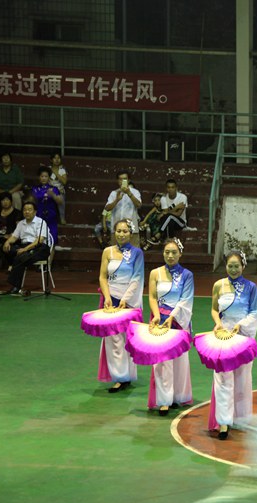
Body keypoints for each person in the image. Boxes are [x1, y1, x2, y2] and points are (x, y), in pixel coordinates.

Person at [208, 250, 257, 440]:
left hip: (243, 336)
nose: (233, 269)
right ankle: (223, 421)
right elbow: (214, 309)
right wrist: (218, 323)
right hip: (223, 337)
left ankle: (240, 417)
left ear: (243, 266)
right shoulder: (219, 285)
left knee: (242, 377)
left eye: (236, 266)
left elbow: (255, 311)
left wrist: (241, 325)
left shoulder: (251, 287)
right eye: (230, 266)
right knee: (222, 377)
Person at [147, 238, 194, 415]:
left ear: (180, 254)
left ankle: (178, 396)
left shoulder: (187, 275)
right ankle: (164, 400)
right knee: (161, 361)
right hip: (160, 321)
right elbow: (152, 297)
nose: (170, 256)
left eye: (174, 252)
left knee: (180, 361)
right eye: (167, 252)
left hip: (178, 322)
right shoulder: (155, 273)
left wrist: (172, 316)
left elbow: (186, 299)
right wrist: (157, 315)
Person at [97, 219, 144, 393]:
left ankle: (127, 375)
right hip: (111, 301)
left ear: (130, 234)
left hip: (128, 301)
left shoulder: (137, 253)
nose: (121, 234)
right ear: (114, 232)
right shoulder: (107, 251)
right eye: (118, 231)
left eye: (125, 231)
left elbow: (137, 278)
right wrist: (107, 297)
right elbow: (103, 277)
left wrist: (125, 299)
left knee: (127, 340)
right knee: (113, 340)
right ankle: (119, 377)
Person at [1, 200, 51, 296]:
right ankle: (14, 271)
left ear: (35, 212)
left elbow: (39, 240)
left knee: (21, 257)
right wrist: (7, 242)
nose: (27, 212)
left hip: (39, 248)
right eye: (24, 210)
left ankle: (15, 286)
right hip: (24, 247)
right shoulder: (21, 223)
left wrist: (25, 249)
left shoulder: (40, 222)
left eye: (29, 209)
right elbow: (14, 237)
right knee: (7, 249)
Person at [104, 170, 142, 247]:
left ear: (129, 180)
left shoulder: (135, 192)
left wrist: (129, 193)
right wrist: (117, 199)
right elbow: (107, 208)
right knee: (116, 253)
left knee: (133, 252)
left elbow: (139, 205)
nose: (122, 181)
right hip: (116, 230)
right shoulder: (114, 193)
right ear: (117, 181)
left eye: (124, 179)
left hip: (131, 230)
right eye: (120, 179)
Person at [31, 166, 63, 250]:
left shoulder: (54, 189)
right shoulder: (34, 189)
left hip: (51, 216)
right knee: (38, 239)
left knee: (53, 239)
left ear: (49, 178)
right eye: (42, 176)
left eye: (46, 176)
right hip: (38, 216)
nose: (44, 178)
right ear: (39, 177)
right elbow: (31, 202)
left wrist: (53, 195)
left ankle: (51, 257)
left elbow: (60, 202)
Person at [49, 152, 69, 224]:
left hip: (60, 191)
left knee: (61, 197)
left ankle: (62, 218)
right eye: (55, 158)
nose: (57, 160)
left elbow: (64, 182)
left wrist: (56, 173)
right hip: (50, 190)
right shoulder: (48, 169)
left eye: (58, 158)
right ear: (51, 160)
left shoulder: (62, 170)